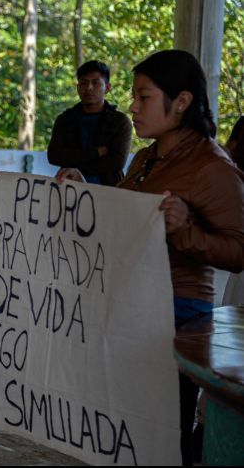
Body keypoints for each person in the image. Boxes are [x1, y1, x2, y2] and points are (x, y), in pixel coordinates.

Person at [56, 49, 244, 466]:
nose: (133, 107)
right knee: (118, 431)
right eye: (134, 97)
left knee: (156, 436)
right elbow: (121, 213)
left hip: (174, 314)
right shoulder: (146, 157)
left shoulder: (213, 167)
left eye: (144, 97)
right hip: (124, 305)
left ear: (181, 102)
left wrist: (185, 232)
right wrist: (84, 189)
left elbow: (237, 251)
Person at [47, 60, 132, 186]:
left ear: (107, 88)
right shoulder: (65, 120)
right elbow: (54, 156)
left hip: (109, 190)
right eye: (84, 83)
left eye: (96, 83)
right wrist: (96, 152)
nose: (89, 88)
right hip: (69, 188)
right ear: (78, 88)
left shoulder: (119, 121)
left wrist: (74, 163)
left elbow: (116, 162)